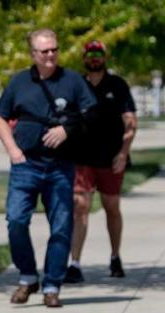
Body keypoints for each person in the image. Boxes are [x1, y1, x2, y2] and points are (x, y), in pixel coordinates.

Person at [0, 28, 96, 308]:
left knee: (62, 226)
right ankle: (28, 277)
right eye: (44, 51)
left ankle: (52, 285)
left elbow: (92, 114)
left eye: (54, 49)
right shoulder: (19, 82)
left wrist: (66, 129)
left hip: (60, 167)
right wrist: (13, 150)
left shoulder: (73, 81)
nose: (51, 55)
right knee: (15, 220)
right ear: (33, 54)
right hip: (25, 164)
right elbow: (1, 117)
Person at [65, 40, 137, 283]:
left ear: (105, 57)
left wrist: (123, 152)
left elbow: (130, 122)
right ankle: (74, 264)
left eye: (99, 54)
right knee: (80, 207)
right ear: (84, 58)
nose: (94, 58)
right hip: (82, 159)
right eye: (90, 54)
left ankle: (115, 257)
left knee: (111, 206)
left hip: (111, 158)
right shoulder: (77, 84)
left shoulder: (117, 85)